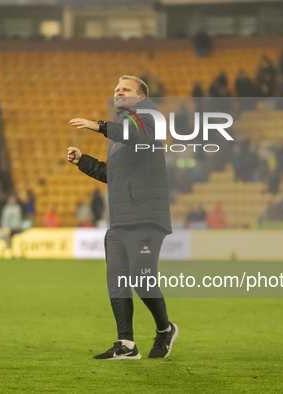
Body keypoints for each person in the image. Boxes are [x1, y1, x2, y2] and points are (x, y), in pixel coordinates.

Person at [67, 75, 177, 360]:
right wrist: (84, 161)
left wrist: (100, 126)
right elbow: (112, 176)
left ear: (141, 97)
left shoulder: (148, 117)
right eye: (116, 88)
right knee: (116, 281)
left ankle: (165, 330)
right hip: (118, 220)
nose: (118, 91)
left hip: (144, 218)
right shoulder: (120, 133)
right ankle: (126, 344)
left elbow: (137, 136)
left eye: (125, 89)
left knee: (142, 280)